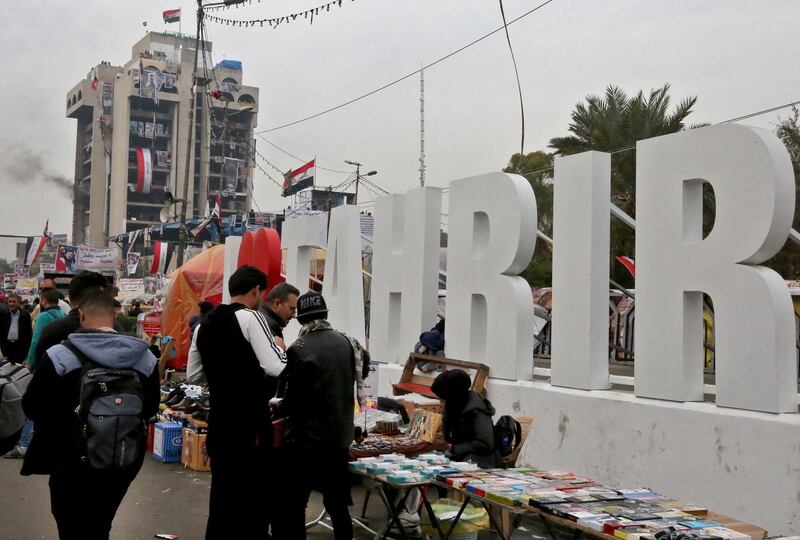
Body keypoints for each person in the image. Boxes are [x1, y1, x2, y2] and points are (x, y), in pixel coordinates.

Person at [20, 290, 160, 539]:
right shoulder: (145, 358)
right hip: (122, 458)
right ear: (114, 316)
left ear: (82, 315)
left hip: (70, 461)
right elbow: (150, 408)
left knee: (71, 526)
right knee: (101, 523)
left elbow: (31, 406)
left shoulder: (59, 356)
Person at [187, 265, 286, 539]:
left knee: (222, 498)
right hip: (251, 425)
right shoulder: (251, 318)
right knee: (253, 500)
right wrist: (282, 350)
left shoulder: (203, 324)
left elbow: (194, 374)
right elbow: (276, 367)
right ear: (256, 290)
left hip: (219, 424)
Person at [277, 292, 356, 540]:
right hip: (339, 437)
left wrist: (278, 406)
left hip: (307, 440)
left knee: (295, 502)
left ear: (301, 320)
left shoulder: (298, 349)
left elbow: (295, 400)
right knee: (337, 504)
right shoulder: (346, 342)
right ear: (326, 315)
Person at [33, 271, 113, 365]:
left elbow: (40, 368)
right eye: (41, 289)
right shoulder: (116, 332)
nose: (44, 292)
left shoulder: (52, 330)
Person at [431, 368, 501, 469]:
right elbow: (449, 436)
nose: (440, 401)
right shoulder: (453, 405)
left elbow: (485, 444)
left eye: (443, 397)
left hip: (481, 459)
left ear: (453, 394)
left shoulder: (477, 410)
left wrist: (453, 448)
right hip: (459, 456)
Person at [26, 288, 66, 369]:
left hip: (44, 359)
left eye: (40, 300)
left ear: (44, 300)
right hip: (59, 360)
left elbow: (35, 341)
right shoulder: (63, 314)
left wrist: (29, 362)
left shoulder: (43, 316)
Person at [259, 282, 299, 350]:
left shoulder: (259, 316)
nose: (294, 315)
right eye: (291, 309)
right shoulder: (268, 325)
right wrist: (280, 350)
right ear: (277, 303)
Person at [0, 293, 33, 364]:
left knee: (18, 369)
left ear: (19, 302)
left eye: (14, 302)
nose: (11, 304)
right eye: (10, 301)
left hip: (20, 347)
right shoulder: (2, 313)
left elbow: (29, 333)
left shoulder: (25, 315)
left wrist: (27, 349)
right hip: (6, 346)